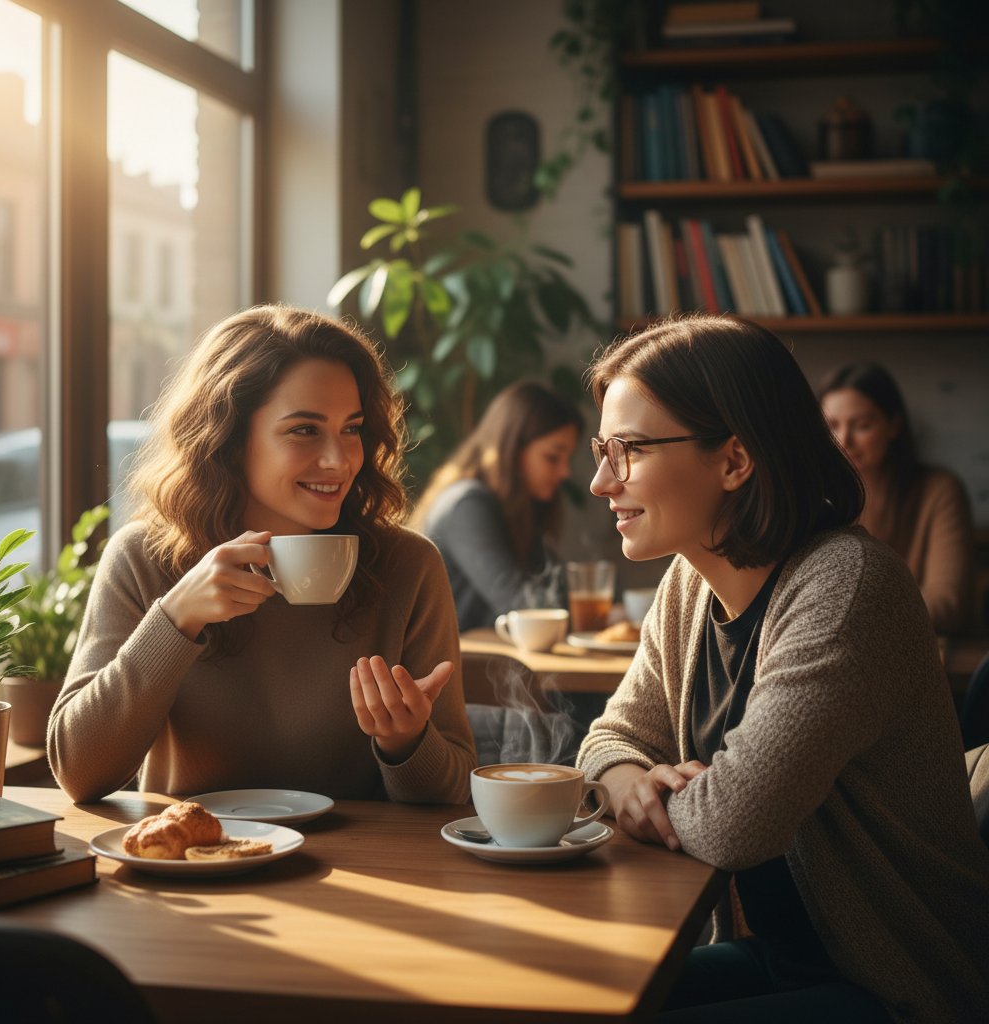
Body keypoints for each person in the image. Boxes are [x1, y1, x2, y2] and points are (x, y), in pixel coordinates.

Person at [575, 315, 989, 1023]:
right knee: (575, 1004)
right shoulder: (689, 582)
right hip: (788, 957)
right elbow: (608, 738)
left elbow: (735, 825)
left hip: (898, 985)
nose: (598, 481)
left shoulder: (846, 588)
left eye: (631, 450)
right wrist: (625, 778)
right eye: (602, 448)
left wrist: (653, 793)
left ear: (734, 461)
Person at [48, 304, 476, 804]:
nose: (340, 460)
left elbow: (453, 794)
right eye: (304, 429)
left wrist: (406, 743)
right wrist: (175, 618)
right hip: (196, 867)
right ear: (228, 439)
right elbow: (79, 773)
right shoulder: (146, 558)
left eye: (352, 428)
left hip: (368, 872)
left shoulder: (408, 566)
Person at [410, 380, 583, 631]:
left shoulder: (519, 508)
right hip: (453, 665)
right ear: (512, 448)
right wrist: (595, 610)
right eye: (552, 457)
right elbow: (521, 607)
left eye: (568, 459)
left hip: (490, 661)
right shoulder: (467, 505)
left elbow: (552, 591)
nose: (565, 472)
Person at [818, 361, 975, 635]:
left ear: (894, 426)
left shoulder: (938, 491)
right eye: (832, 425)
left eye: (862, 425)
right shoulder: (813, 495)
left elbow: (947, 602)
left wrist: (854, 622)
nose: (844, 440)